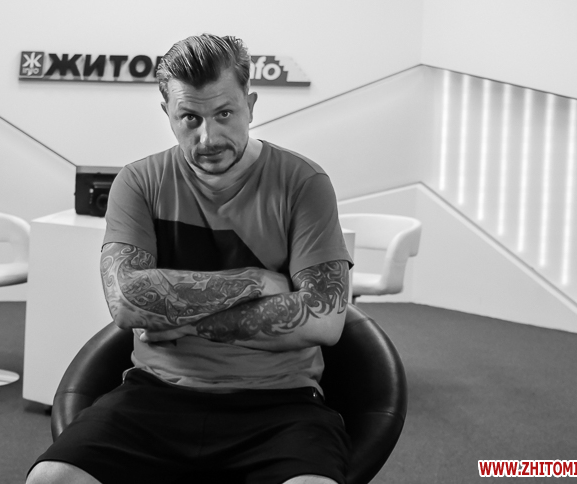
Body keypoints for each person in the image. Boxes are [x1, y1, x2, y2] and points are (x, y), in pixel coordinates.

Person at [27, 33, 353, 484]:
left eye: (224, 114)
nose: (208, 137)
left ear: (251, 105)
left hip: (280, 399)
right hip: (157, 392)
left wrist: (176, 321)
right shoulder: (139, 182)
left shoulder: (303, 182)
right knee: (51, 479)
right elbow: (126, 301)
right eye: (190, 118)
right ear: (167, 113)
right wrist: (256, 281)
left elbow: (324, 318)